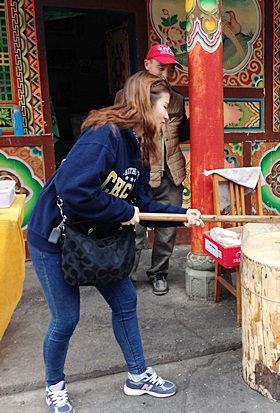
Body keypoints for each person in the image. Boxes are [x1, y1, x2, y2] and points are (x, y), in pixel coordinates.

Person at [27, 71, 204, 413]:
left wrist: (181, 214)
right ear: (144, 101)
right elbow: (74, 189)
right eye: (165, 107)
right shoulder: (104, 135)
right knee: (66, 319)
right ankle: (54, 386)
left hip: (93, 237)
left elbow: (141, 202)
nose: (168, 116)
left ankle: (137, 375)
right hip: (55, 237)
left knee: (125, 301)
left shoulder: (135, 144)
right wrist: (123, 211)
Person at [115, 44, 189, 295]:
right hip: (141, 174)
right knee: (135, 228)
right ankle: (128, 276)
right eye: (160, 68)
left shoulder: (177, 100)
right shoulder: (127, 98)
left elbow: (185, 134)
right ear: (147, 65)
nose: (165, 75)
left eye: (170, 70)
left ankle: (159, 272)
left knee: (167, 230)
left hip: (171, 174)